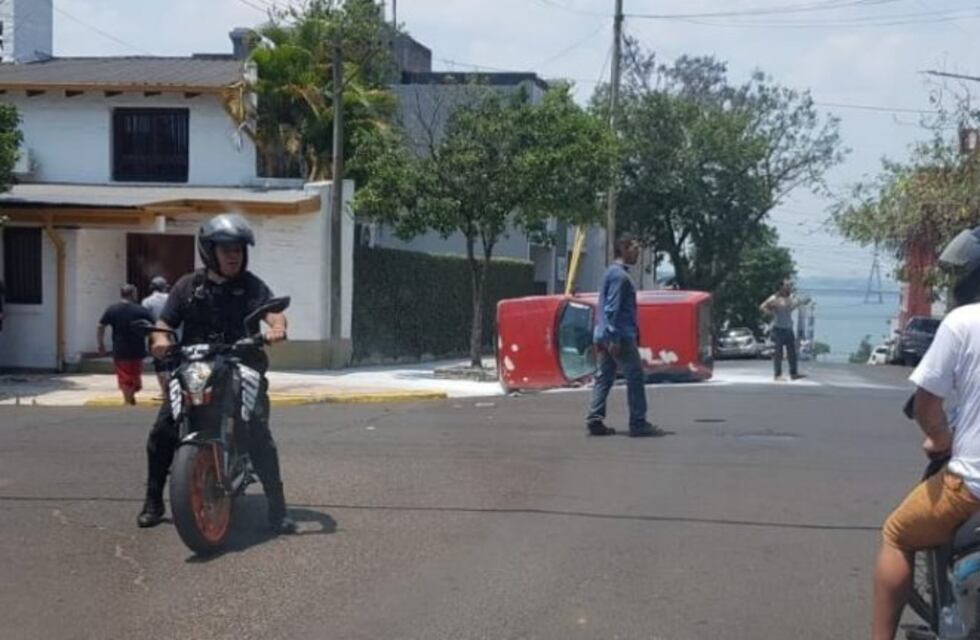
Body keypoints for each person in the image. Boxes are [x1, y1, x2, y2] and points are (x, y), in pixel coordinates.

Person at [137, 213, 296, 535]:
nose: (233, 254)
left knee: (256, 429)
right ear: (209, 250)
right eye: (226, 248)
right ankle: (154, 500)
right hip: (196, 364)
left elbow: (274, 313)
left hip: (241, 364)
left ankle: (277, 507)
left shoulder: (251, 286)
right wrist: (160, 339)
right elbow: (166, 322)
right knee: (163, 430)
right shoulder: (188, 286)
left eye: (238, 248)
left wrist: (277, 328)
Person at [872, 226, 980, 640]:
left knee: (896, 535)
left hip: (968, 489)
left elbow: (926, 405)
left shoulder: (963, 320)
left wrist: (939, 438)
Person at [585, 233, 663, 438]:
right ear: (625, 249)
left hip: (602, 333)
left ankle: (595, 417)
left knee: (605, 376)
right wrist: (614, 337)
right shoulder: (621, 277)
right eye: (635, 248)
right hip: (619, 335)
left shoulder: (609, 273)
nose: (638, 253)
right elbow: (612, 309)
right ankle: (638, 422)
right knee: (635, 376)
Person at [98, 284, 153, 405]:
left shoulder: (112, 309)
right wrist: (151, 342)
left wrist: (101, 344)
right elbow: (152, 327)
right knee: (134, 375)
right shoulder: (141, 310)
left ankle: (129, 398)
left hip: (120, 349)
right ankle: (129, 399)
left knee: (126, 377)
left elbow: (101, 326)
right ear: (133, 294)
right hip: (137, 348)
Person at [759, 279, 807, 381]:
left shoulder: (790, 298)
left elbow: (792, 307)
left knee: (792, 353)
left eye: (789, 285)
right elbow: (762, 306)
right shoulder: (774, 298)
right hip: (778, 329)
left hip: (789, 328)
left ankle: (793, 373)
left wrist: (800, 302)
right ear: (781, 287)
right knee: (778, 353)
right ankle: (777, 374)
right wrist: (771, 313)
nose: (789, 287)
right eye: (787, 285)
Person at [141, 276, 170, 399]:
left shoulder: (147, 301)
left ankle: (164, 391)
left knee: (160, 365)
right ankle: (172, 390)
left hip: (155, 336)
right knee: (172, 364)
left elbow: (144, 320)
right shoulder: (171, 298)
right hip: (172, 335)